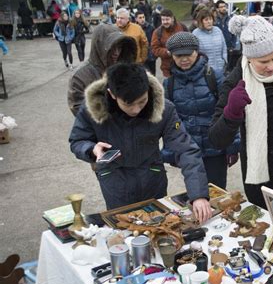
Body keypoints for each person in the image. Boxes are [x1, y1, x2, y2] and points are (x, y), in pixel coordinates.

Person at [69, 63, 213, 222]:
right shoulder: (92, 109)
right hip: (114, 180)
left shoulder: (165, 109)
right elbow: (77, 140)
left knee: (158, 225)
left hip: (151, 177)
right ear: (112, 94)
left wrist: (198, 195)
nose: (136, 109)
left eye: (142, 101)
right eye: (128, 104)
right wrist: (91, 149)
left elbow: (186, 150)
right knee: (123, 226)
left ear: (148, 91)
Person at [209, 15, 273, 208]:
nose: (272, 66)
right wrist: (232, 113)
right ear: (248, 58)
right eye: (263, 61)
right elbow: (217, 139)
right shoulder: (235, 82)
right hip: (259, 177)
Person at [163, 32, 239, 189]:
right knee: (195, 194)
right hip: (188, 150)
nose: (184, 59)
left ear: (197, 52)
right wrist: (170, 152)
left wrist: (232, 147)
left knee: (217, 193)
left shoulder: (215, 77)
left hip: (215, 149)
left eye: (188, 54)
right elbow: (169, 122)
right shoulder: (168, 84)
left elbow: (229, 114)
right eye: (178, 56)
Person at [67, 24, 137, 115]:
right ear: (98, 47)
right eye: (111, 48)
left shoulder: (124, 69)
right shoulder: (80, 76)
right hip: (96, 127)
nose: (116, 53)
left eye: (119, 47)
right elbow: (78, 109)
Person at [151, 9, 188, 78]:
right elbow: (154, 49)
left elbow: (189, 41)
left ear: (172, 18)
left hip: (183, 65)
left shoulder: (182, 27)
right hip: (167, 69)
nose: (165, 22)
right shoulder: (157, 32)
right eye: (163, 20)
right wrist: (167, 52)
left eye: (167, 19)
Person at [192, 8, 227, 75]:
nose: (209, 22)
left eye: (210, 19)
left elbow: (224, 47)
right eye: (206, 20)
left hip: (220, 67)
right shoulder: (196, 33)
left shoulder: (218, 30)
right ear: (201, 21)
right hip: (205, 70)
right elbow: (194, 52)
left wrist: (225, 60)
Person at [215, 0, 239, 74]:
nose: (223, 8)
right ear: (217, 9)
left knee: (230, 68)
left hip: (229, 47)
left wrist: (233, 45)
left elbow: (234, 32)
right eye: (221, 7)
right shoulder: (214, 20)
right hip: (219, 48)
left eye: (224, 6)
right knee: (222, 67)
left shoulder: (230, 18)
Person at [136, 10, 156, 75]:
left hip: (150, 55)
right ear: (136, 19)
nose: (142, 19)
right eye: (140, 18)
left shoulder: (150, 27)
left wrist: (154, 53)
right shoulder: (134, 29)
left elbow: (155, 41)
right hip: (139, 56)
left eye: (143, 17)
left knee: (152, 75)